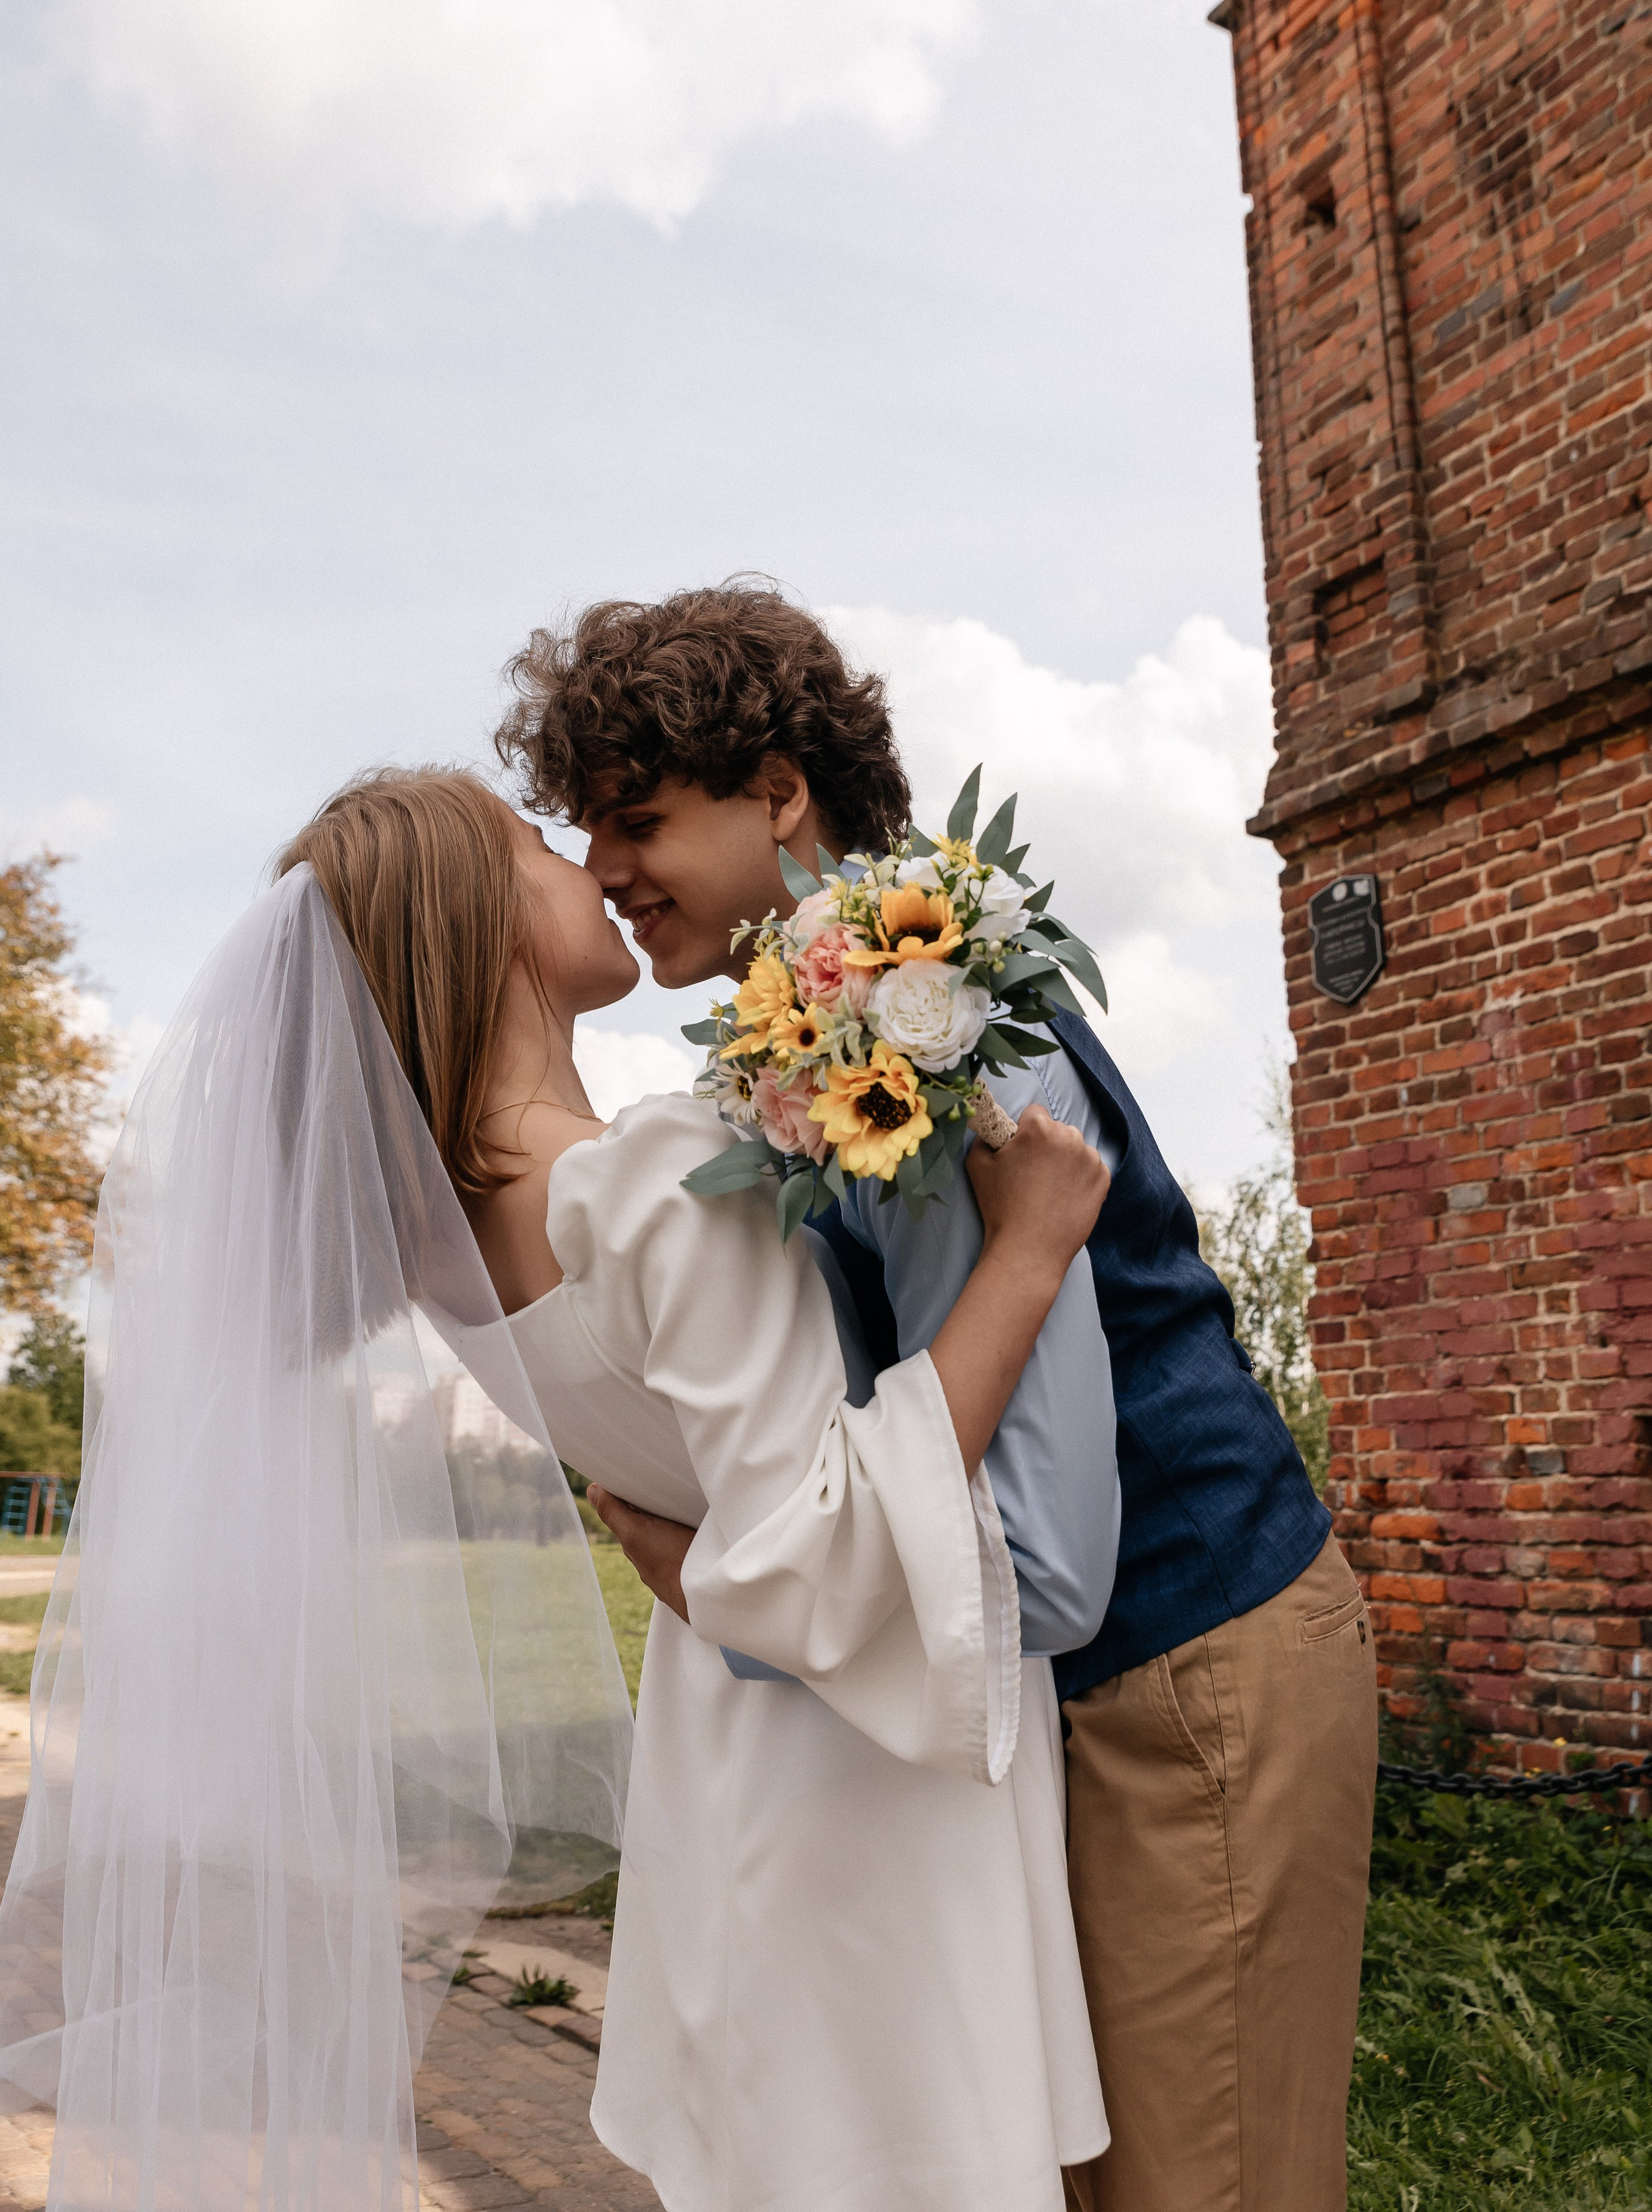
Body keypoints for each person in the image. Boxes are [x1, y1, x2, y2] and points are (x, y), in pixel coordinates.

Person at [497, 581, 1381, 2212]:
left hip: (1185, 1671)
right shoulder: (811, 1040)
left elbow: (1043, 1564)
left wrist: (737, 1593)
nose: (607, 869)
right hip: (1107, 1688)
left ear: (777, 792)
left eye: (635, 819)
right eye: (583, 829)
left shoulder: (933, 1028)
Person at [278, 767, 1115, 2212]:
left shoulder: (444, 1252)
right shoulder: (653, 1179)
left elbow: (712, 1513)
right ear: (481, 918)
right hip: (862, 1799)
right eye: (543, 846)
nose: (589, 868)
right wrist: (1029, 1254)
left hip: (727, 1761)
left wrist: (693, 1549)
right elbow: (827, 1545)